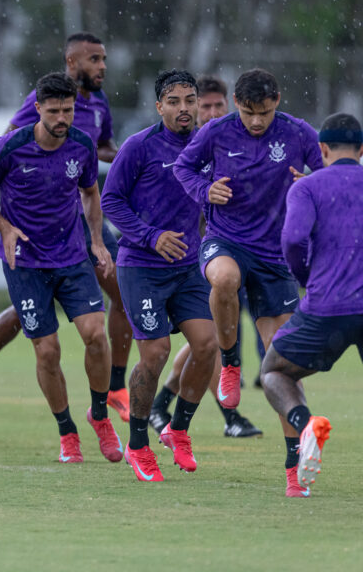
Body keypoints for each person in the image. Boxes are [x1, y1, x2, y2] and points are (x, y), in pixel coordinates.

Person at [0, 32, 133, 422]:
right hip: (35, 226)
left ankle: (115, 385)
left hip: (79, 220)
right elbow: (11, 144)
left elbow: (99, 150)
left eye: (104, 58)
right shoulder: (39, 107)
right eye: (94, 59)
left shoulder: (98, 103)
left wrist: (127, 156)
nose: (102, 66)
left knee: (123, 292)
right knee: (30, 316)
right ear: (72, 63)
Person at [173, 68, 321, 480]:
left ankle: (295, 466)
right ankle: (233, 364)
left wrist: (310, 183)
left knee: (284, 363)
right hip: (227, 240)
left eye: (265, 112)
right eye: (249, 112)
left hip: (277, 254)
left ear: (278, 101)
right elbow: (183, 169)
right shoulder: (217, 132)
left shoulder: (297, 132)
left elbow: (332, 171)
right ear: (237, 103)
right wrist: (205, 190)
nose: (257, 121)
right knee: (223, 280)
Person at [101, 70, 216, 481]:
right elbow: (110, 201)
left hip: (187, 267)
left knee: (207, 345)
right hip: (142, 268)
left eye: (190, 100)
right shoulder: (139, 147)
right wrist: (151, 237)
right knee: (155, 353)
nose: (183, 108)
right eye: (174, 101)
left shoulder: (209, 146)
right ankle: (137, 445)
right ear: (159, 106)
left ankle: (178, 429)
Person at [149, 74, 262, 438]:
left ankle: (161, 403)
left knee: (210, 339)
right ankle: (229, 416)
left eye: (217, 106)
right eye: (206, 106)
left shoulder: (233, 145)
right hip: (194, 257)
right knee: (210, 338)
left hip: (236, 253)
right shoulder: (192, 149)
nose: (211, 112)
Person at [260, 113, 363, 497]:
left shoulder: (307, 187)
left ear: (321, 149)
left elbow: (292, 240)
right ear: (362, 150)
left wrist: (305, 278)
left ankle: (305, 424)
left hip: (327, 308)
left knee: (274, 371)